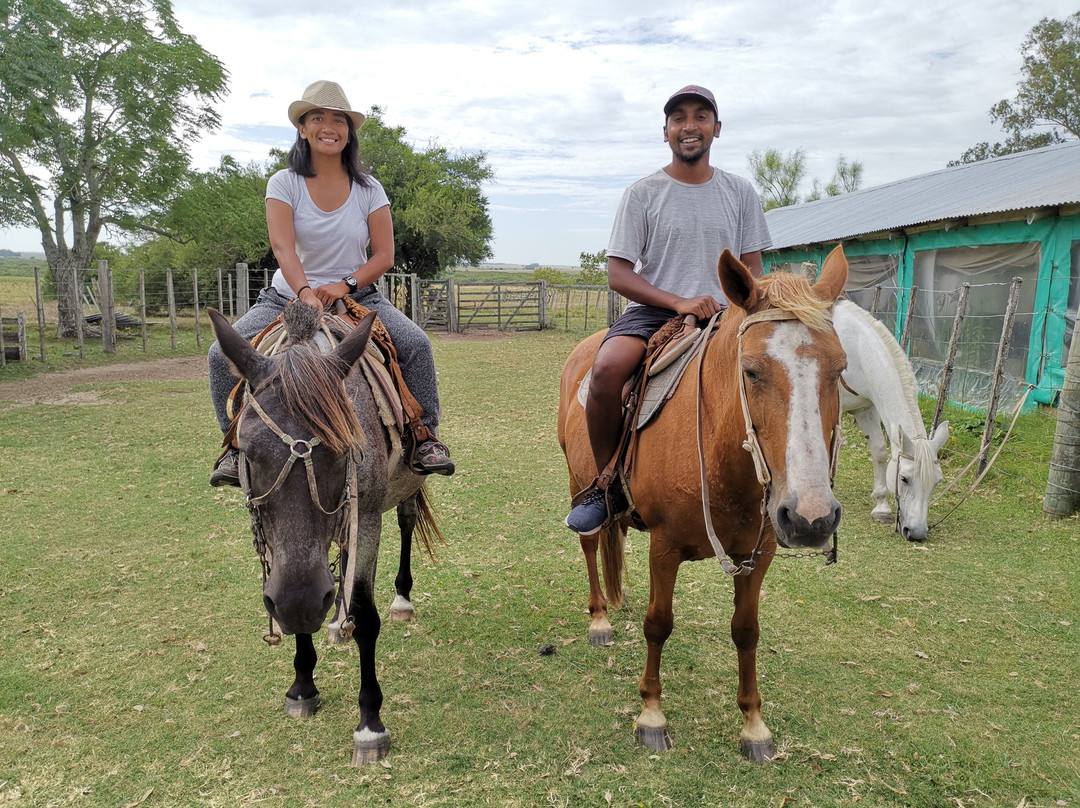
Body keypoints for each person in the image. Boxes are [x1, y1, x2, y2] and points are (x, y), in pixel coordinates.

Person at [208, 79, 454, 486]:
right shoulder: (283, 183)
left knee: (415, 344)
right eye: (317, 118)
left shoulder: (369, 189)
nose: (329, 126)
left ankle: (425, 437)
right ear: (302, 128)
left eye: (338, 119)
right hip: (286, 297)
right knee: (220, 355)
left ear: (348, 130)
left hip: (358, 295)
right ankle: (234, 446)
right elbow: (283, 248)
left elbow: (384, 256)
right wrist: (305, 293)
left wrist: (346, 284)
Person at [564, 84, 771, 535]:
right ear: (666, 132)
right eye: (679, 118)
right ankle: (608, 485)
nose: (689, 126)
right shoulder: (643, 193)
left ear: (717, 128)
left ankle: (780, 478)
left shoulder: (740, 192)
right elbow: (619, 274)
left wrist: (740, 302)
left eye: (700, 116)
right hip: (656, 313)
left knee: (778, 375)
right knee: (604, 372)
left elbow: (754, 266)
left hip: (726, 315)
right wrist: (678, 301)